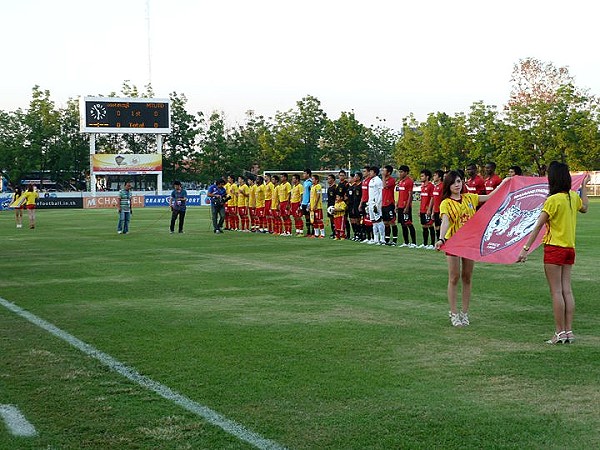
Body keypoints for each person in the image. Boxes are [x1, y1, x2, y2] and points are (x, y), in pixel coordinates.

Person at [517, 162, 590, 344]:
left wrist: (525, 249)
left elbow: (538, 226)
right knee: (567, 290)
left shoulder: (552, 200)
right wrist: (583, 186)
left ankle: (559, 332)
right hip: (569, 249)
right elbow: (585, 207)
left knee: (556, 292)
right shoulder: (573, 197)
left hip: (554, 248)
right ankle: (569, 332)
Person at [435, 171, 506, 326]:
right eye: (453, 182)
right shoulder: (446, 203)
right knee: (454, 277)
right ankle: (453, 313)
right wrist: (441, 239)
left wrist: (505, 183)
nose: (457, 185)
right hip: (453, 242)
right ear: (448, 185)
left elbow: (489, 197)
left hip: (470, 243)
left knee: (467, 277)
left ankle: (464, 313)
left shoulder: (470, 198)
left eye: (459, 181)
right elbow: (445, 221)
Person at [396, 165, 416, 247]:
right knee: (403, 224)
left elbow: (410, 195)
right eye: (399, 172)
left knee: (408, 223)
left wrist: (407, 207)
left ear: (406, 172)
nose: (400, 173)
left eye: (401, 172)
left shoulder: (409, 181)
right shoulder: (400, 182)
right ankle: (406, 242)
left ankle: (414, 243)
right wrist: (397, 204)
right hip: (400, 205)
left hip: (405, 206)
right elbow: (400, 194)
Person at [367, 166, 385, 245]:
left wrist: (377, 204)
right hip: (370, 203)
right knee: (373, 222)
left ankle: (382, 238)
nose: (369, 173)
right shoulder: (371, 181)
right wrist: (368, 204)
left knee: (379, 221)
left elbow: (381, 192)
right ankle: (375, 238)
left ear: (374, 172)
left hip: (376, 204)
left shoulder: (378, 181)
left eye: (371, 171)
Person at [419, 169, 436, 249]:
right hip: (422, 210)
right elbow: (422, 199)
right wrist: (420, 210)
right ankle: (425, 244)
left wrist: (429, 209)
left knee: (430, 225)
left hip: (427, 210)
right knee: (424, 226)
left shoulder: (431, 186)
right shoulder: (422, 187)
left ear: (427, 177)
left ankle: (432, 244)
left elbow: (432, 198)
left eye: (422, 176)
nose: (421, 177)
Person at [381, 165, 398, 245]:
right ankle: (387, 239)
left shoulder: (391, 180)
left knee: (392, 222)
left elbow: (384, 186)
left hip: (389, 203)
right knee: (385, 222)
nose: (383, 172)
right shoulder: (384, 180)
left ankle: (394, 240)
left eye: (384, 171)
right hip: (383, 204)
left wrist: (383, 177)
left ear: (389, 172)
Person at [428, 169, 445, 241]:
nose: (433, 177)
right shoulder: (436, 187)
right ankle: (439, 241)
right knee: (437, 227)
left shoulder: (442, 186)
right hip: (436, 210)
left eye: (435, 175)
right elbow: (435, 200)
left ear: (440, 177)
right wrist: (432, 211)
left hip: (441, 210)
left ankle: (442, 241)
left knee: (441, 227)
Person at [347, 172, 363, 241]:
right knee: (353, 220)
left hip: (359, 205)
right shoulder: (354, 186)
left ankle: (361, 235)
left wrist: (360, 205)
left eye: (356, 176)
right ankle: (356, 234)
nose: (355, 178)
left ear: (359, 178)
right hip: (353, 205)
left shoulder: (361, 186)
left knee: (358, 220)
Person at [336, 170, 351, 239]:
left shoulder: (346, 184)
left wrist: (347, 204)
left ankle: (347, 234)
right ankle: (339, 233)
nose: (341, 176)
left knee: (345, 219)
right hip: (339, 204)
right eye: (340, 175)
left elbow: (347, 194)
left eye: (342, 175)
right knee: (338, 219)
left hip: (344, 204)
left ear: (345, 176)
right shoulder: (339, 184)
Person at [301, 169, 313, 237]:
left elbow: (311, 193)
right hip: (304, 203)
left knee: (311, 218)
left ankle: (313, 232)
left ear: (308, 174)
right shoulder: (305, 182)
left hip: (308, 203)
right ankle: (308, 232)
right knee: (307, 218)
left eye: (304, 173)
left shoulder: (310, 182)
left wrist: (309, 202)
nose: (303, 175)